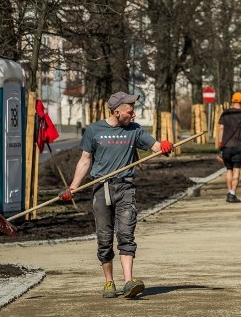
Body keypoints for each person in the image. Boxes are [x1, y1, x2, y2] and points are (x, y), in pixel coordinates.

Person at [60, 91, 173, 299]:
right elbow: (85, 160)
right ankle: (109, 282)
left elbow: (155, 146)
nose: (134, 115)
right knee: (104, 239)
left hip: (125, 188)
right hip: (101, 188)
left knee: (126, 235)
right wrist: (73, 188)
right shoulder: (94, 130)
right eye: (130, 111)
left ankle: (129, 282)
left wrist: (164, 147)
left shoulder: (135, 130)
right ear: (116, 112)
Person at [218, 91, 241, 202]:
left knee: (228, 169)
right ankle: (232, 194)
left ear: (232, 101)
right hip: (239, 146)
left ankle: (228, 192)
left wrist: (220, 143)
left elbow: (221, 129)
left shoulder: (225, 113)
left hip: (226, 146)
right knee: (236, 170)